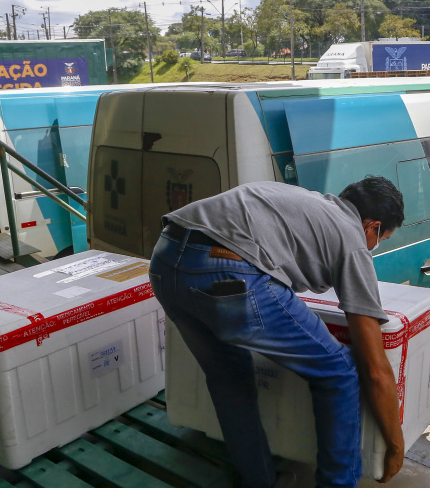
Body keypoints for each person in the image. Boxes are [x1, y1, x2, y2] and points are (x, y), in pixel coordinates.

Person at [148, 178, 406, 488]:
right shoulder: (351, 237)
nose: (374, 246)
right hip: (229, 269)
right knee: (339, 370)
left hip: (165, 261)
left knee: (229, 379)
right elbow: (375, 369)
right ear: (372, 226)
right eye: (381, 238)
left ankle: (257, 481)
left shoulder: (303, 200)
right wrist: (394, 444)